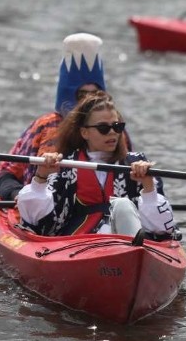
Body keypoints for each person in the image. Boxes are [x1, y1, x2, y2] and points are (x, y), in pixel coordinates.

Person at [16, 91, 177, 241]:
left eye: (117, 126)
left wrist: (148, 187)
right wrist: (41, 178)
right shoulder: (65, 164)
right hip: (79, 242)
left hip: (127, 241)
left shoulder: (135, 163)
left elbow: (162, 230)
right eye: (103, 128)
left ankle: (131, 249)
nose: (113, 132)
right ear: (84, 132)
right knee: (121, 205)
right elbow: (38, 222)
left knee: (122, 205)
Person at [0, 33, 131, 201]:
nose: (88, 100)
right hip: (48, 205)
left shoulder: (115, 128)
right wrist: (18, 195)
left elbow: (128, 172)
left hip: (104, 204)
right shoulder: (45, 125)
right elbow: (7, 174)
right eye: (82, 94)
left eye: (94, 94)